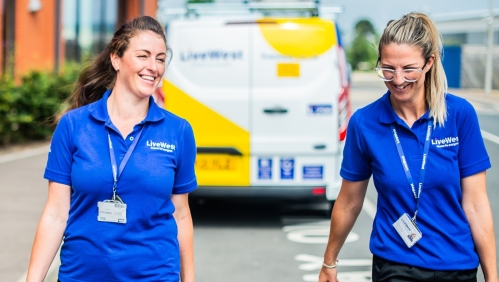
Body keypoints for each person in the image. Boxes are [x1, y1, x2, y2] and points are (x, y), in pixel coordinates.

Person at [319, 12, 498, 282]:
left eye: (409, 69)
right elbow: (348, 201)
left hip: (458, 265)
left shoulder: (460, 115)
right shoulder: (364, 123)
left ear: (429, 62)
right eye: (388, 68)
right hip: (395, 264)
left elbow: (476, 203)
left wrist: (492, 277)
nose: (398, 79)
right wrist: (329, 262)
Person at [26, 16, 197, 282]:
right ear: (116, 59)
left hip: (154, 275)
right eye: (143, 56)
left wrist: (189, 280)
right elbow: (56, 214)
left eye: (161, 59)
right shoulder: (73, 126)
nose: (153, 67)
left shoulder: (178, 131)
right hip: (81, 275)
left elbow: (181, 214)